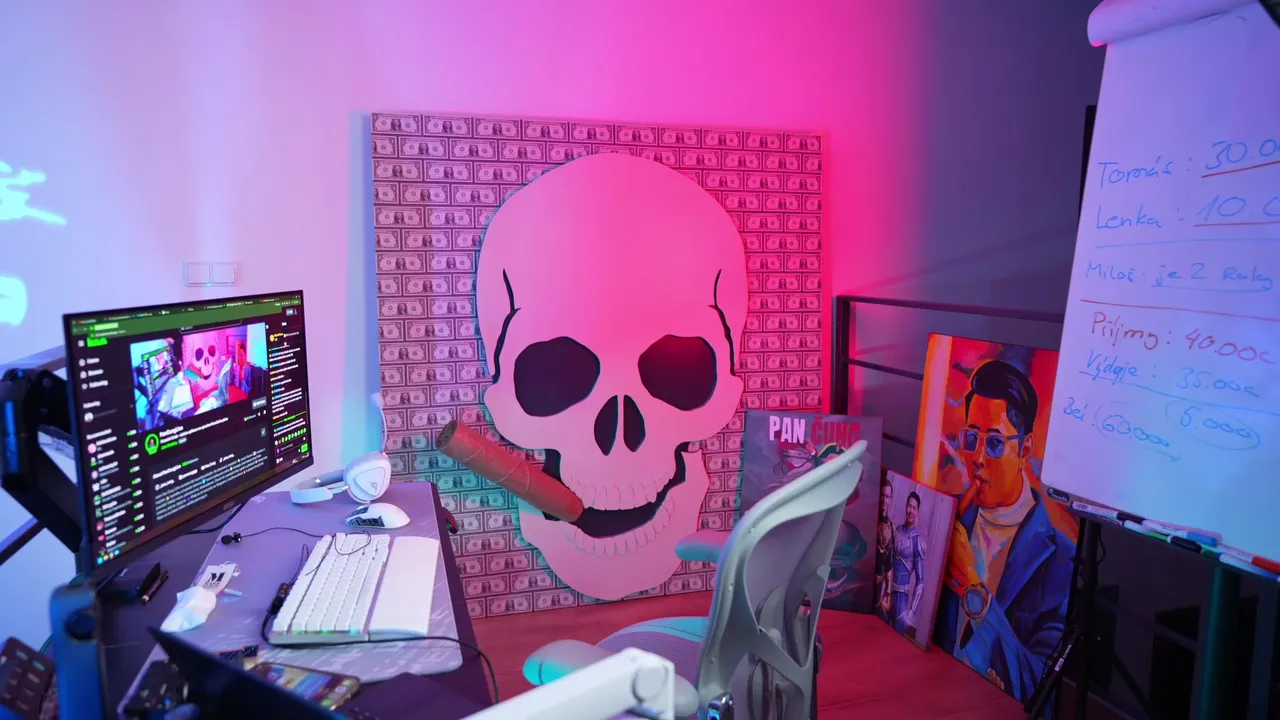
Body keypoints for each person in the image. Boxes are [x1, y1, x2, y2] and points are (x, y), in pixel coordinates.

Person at [936, 360, 1074, 706]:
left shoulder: (1061, 559)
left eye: (995, 443)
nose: (978, 458)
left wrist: (970, 586)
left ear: (1024, 450)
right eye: (971, 439)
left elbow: (1038, 688)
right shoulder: (946, 515)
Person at [890, 491, 926, 635]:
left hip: (901, 598)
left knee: (894, 638)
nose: (910, 511)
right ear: (905, 507)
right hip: (887, 591)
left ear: (918, 511)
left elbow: (921, 580)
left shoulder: (918, 542)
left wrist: (911, 611)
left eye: (914, 508)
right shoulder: (896, 530)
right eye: (909, 506)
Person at [875, 481, 895, 620]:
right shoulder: (870, 519)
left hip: (879, 586)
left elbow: (889, 563)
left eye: (887, 496)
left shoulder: (892, 529)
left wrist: (888, 591)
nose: (884, 499)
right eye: (882, 495)